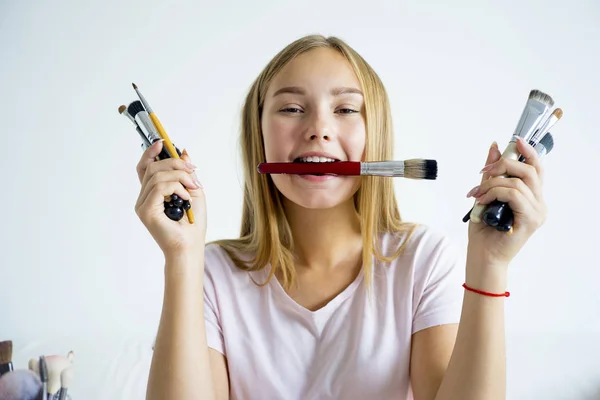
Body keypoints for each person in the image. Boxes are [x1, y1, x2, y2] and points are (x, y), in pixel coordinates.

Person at [134, 35, 547, 400]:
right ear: (258, 135)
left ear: (375, 136)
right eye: (292, 108)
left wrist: (490, 265)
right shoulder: (211, 274)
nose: (319, 129)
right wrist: (181, 257)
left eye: (347, 109)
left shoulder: (422, 261)